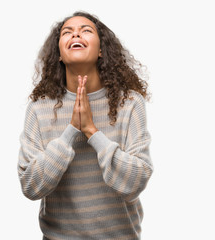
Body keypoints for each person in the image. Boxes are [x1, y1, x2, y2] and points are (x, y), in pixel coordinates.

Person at [17, 11, 153, 240]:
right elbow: (31, 186)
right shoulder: (39, 108)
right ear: (59, 53)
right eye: (67, 32)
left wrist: (91, 131)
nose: (76, 34)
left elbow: (136, 181)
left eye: (86, 30)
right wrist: (71, 130)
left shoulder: (129, 103)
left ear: (101, 50)